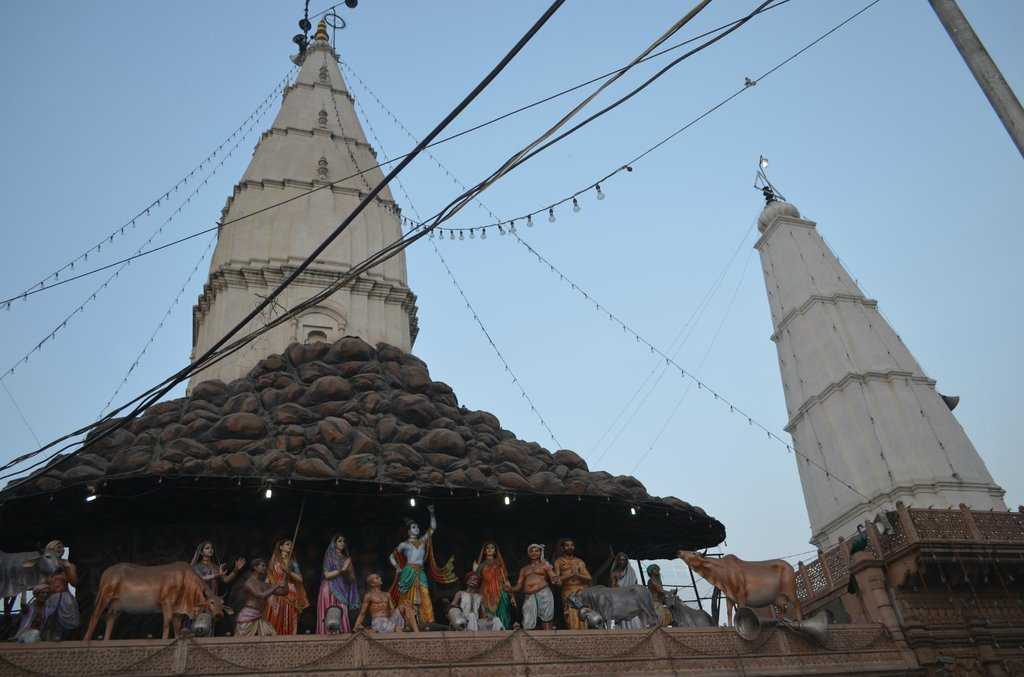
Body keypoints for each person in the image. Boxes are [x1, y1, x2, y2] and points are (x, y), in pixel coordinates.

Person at [388, 504, 456, 625]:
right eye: (414, 527)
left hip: (420, 571)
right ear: (408, 531)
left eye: (417, 527)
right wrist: (397, 567)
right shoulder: (404, 544)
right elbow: (392, 556)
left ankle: (427, 620)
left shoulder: (422, 541)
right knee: (406, 597)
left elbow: (432, 528)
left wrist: (432, 513)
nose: (417, 529)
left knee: (424, 594)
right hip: (408, 571)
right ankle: (405, 622)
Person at [15, 540, 79, 641]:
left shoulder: (67, 565)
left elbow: (74, 583)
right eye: (57, 546)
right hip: (49, 598)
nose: (59, 549)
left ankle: (66, 636)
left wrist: (67, 567)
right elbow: (41, 582)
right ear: (50, 549)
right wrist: (37, 588)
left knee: (69, 617)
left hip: (64, 597)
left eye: (61, 547)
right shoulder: (46, 565)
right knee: (44, 616)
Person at [507, 544, 559, 630]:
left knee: (546, 617)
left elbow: (553, 577)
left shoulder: (545, 565)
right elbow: (519, 585)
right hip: (529, 595)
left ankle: (548, 636)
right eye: (531, 551)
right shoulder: (524, 569)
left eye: (536, 551)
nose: (534, 553)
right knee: (527, 619)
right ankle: (529, 638)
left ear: (540, 552)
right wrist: (510, 589)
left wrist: (555, 578)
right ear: (528, 553)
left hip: (543, 592)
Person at [317, 534, 359, 634]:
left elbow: (351, 579)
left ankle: (343, 634)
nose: (342, 543)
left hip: (342, 588)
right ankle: (325, 634)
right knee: (328, 610)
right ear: (334, 543)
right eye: (339, 541)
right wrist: (342, 569)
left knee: (342, 610)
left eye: (344, 541)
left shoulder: (346, 559)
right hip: (329, 588)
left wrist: (349, 570)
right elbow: (327, 575)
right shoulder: (329, 556)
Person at [265, 539, 309, 635]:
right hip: (275, 591)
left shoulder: (292, 562)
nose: (290, 546)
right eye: (287, 544)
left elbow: (300, 579)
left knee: (288, 616)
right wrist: (266, 590)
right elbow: (268, 578)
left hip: (289, 592)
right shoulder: (274, 561)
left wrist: (288, 572)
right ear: (281, 547)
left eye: (291, 545)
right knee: (274, 616)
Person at [235, 559, 288, 637]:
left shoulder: (264, 584)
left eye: (265, 566)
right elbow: (261, 595)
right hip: (247, 617)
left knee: (270, 635)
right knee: (244, 641)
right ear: (255, 567)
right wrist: (276, 585)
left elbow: (283, 592)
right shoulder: (249, 582)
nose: (265, 568)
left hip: (259, 616)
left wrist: (286, 575)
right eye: (262, 565)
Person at [354, 573, 418, 633]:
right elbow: (362, 613)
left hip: (389, 619)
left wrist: (405, 608)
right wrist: (356, 625)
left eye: (379, 577)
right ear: (372, 584)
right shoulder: (369, 596)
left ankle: (417, 633)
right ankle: (399, 629)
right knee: (397, 629)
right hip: (379, 621)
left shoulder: (387, 594)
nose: (380, 578)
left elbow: (392, 610)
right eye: (377, 578)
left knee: (406, 605)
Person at [472, 542, 513, 630]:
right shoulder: (481, 565)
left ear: (495, 551)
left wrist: (511, 595)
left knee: (504, 608)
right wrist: (475, 571)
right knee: (486, 611)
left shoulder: (499, 563)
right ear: (484, 551)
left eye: (492, 548)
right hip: (485, 591)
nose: (490, 549)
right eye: (488, 548)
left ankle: (503, 628)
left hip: (500, 590)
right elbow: (476, 580)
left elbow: (505, 579)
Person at [553, 538, 592, 630]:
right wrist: (570, 575)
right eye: (567, 545)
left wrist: (578, 575)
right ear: (562, 548)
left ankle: (584, 635)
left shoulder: (579, 561)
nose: (570, 547)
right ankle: (573, 634)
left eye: (571, 545)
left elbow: (589, 578)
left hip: (581, 590)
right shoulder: (558, 561)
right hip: (568, 591)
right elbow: (556, 581)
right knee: (571, 616)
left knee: (583, 614)